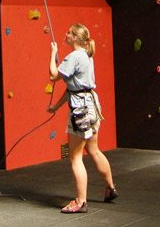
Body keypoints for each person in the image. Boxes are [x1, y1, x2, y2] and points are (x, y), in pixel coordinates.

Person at [49, 23, 117, 214]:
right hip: (91, 104)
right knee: (93, 149)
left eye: (69, 32)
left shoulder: (74, 56)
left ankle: (80, 201)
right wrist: (56, 106)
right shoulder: (86, 55)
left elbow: (53, 76)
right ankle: (110, 188)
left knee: (75, 157)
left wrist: (52, 52)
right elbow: (72, 88)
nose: (66, 34)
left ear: (76, 38)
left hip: (80, 110)